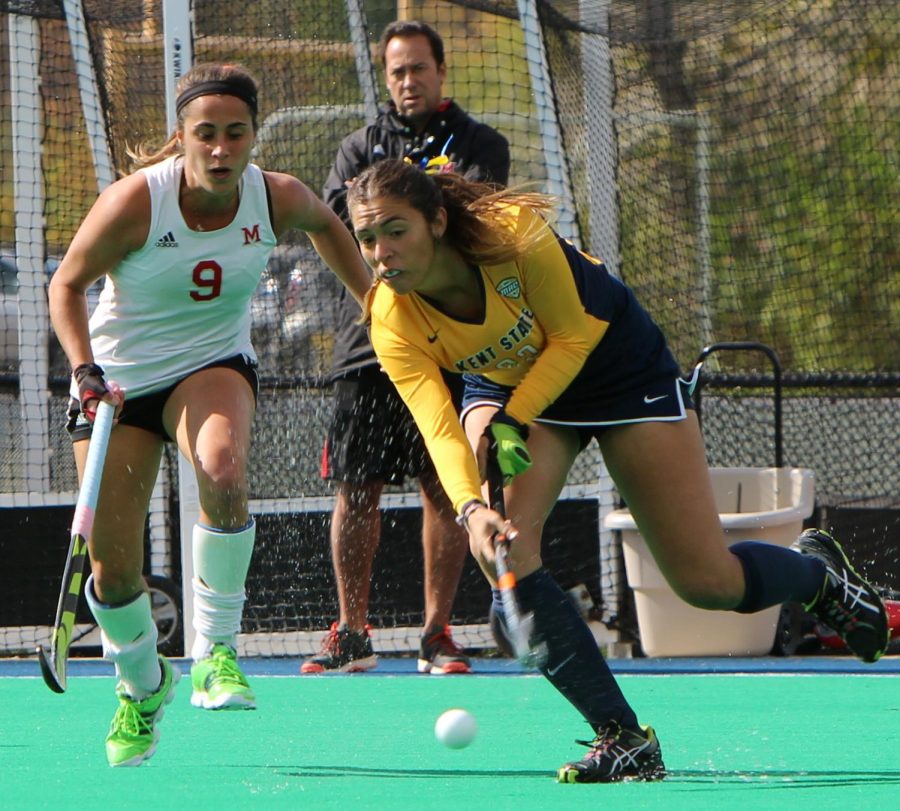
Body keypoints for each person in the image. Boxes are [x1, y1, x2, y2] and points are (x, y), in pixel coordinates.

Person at [344, 158, 890, 782]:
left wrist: (512, 417)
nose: (381, 252)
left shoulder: (513, 234)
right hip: (517, 391)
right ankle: (624, 737)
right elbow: (435, 422)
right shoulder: (391, 315)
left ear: (436, 222)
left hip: (618, 371)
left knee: (708, 585)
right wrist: (471, 510)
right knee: (506, 551)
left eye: (396, 230)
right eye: (367, 238)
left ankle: (818, 577)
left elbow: (575, 336)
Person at [47, 63, 371, 768]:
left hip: (211, 364)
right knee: (112, 568)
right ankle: (140, 686)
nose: (221, 149)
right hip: (119, 384)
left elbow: (327, 224)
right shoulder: (137, 202)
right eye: (206, 135)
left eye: (235, 133)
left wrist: (376, 301)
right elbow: (66, 283)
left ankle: (214, 652)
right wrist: (83, 370)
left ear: (254, 134)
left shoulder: (275, 196)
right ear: (182, 137)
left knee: (223, 469)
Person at [304, 20, 510, 675]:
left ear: (440, 71)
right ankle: (352, 631)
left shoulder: (482, 143)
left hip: (449, 344)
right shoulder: (356, 147)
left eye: (418, 68)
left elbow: (470, 215)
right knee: (354, 488)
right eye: (397, 71)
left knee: (446, 487)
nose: (408, 81)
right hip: (371, 347)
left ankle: (437, 631)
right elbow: (346, 230)